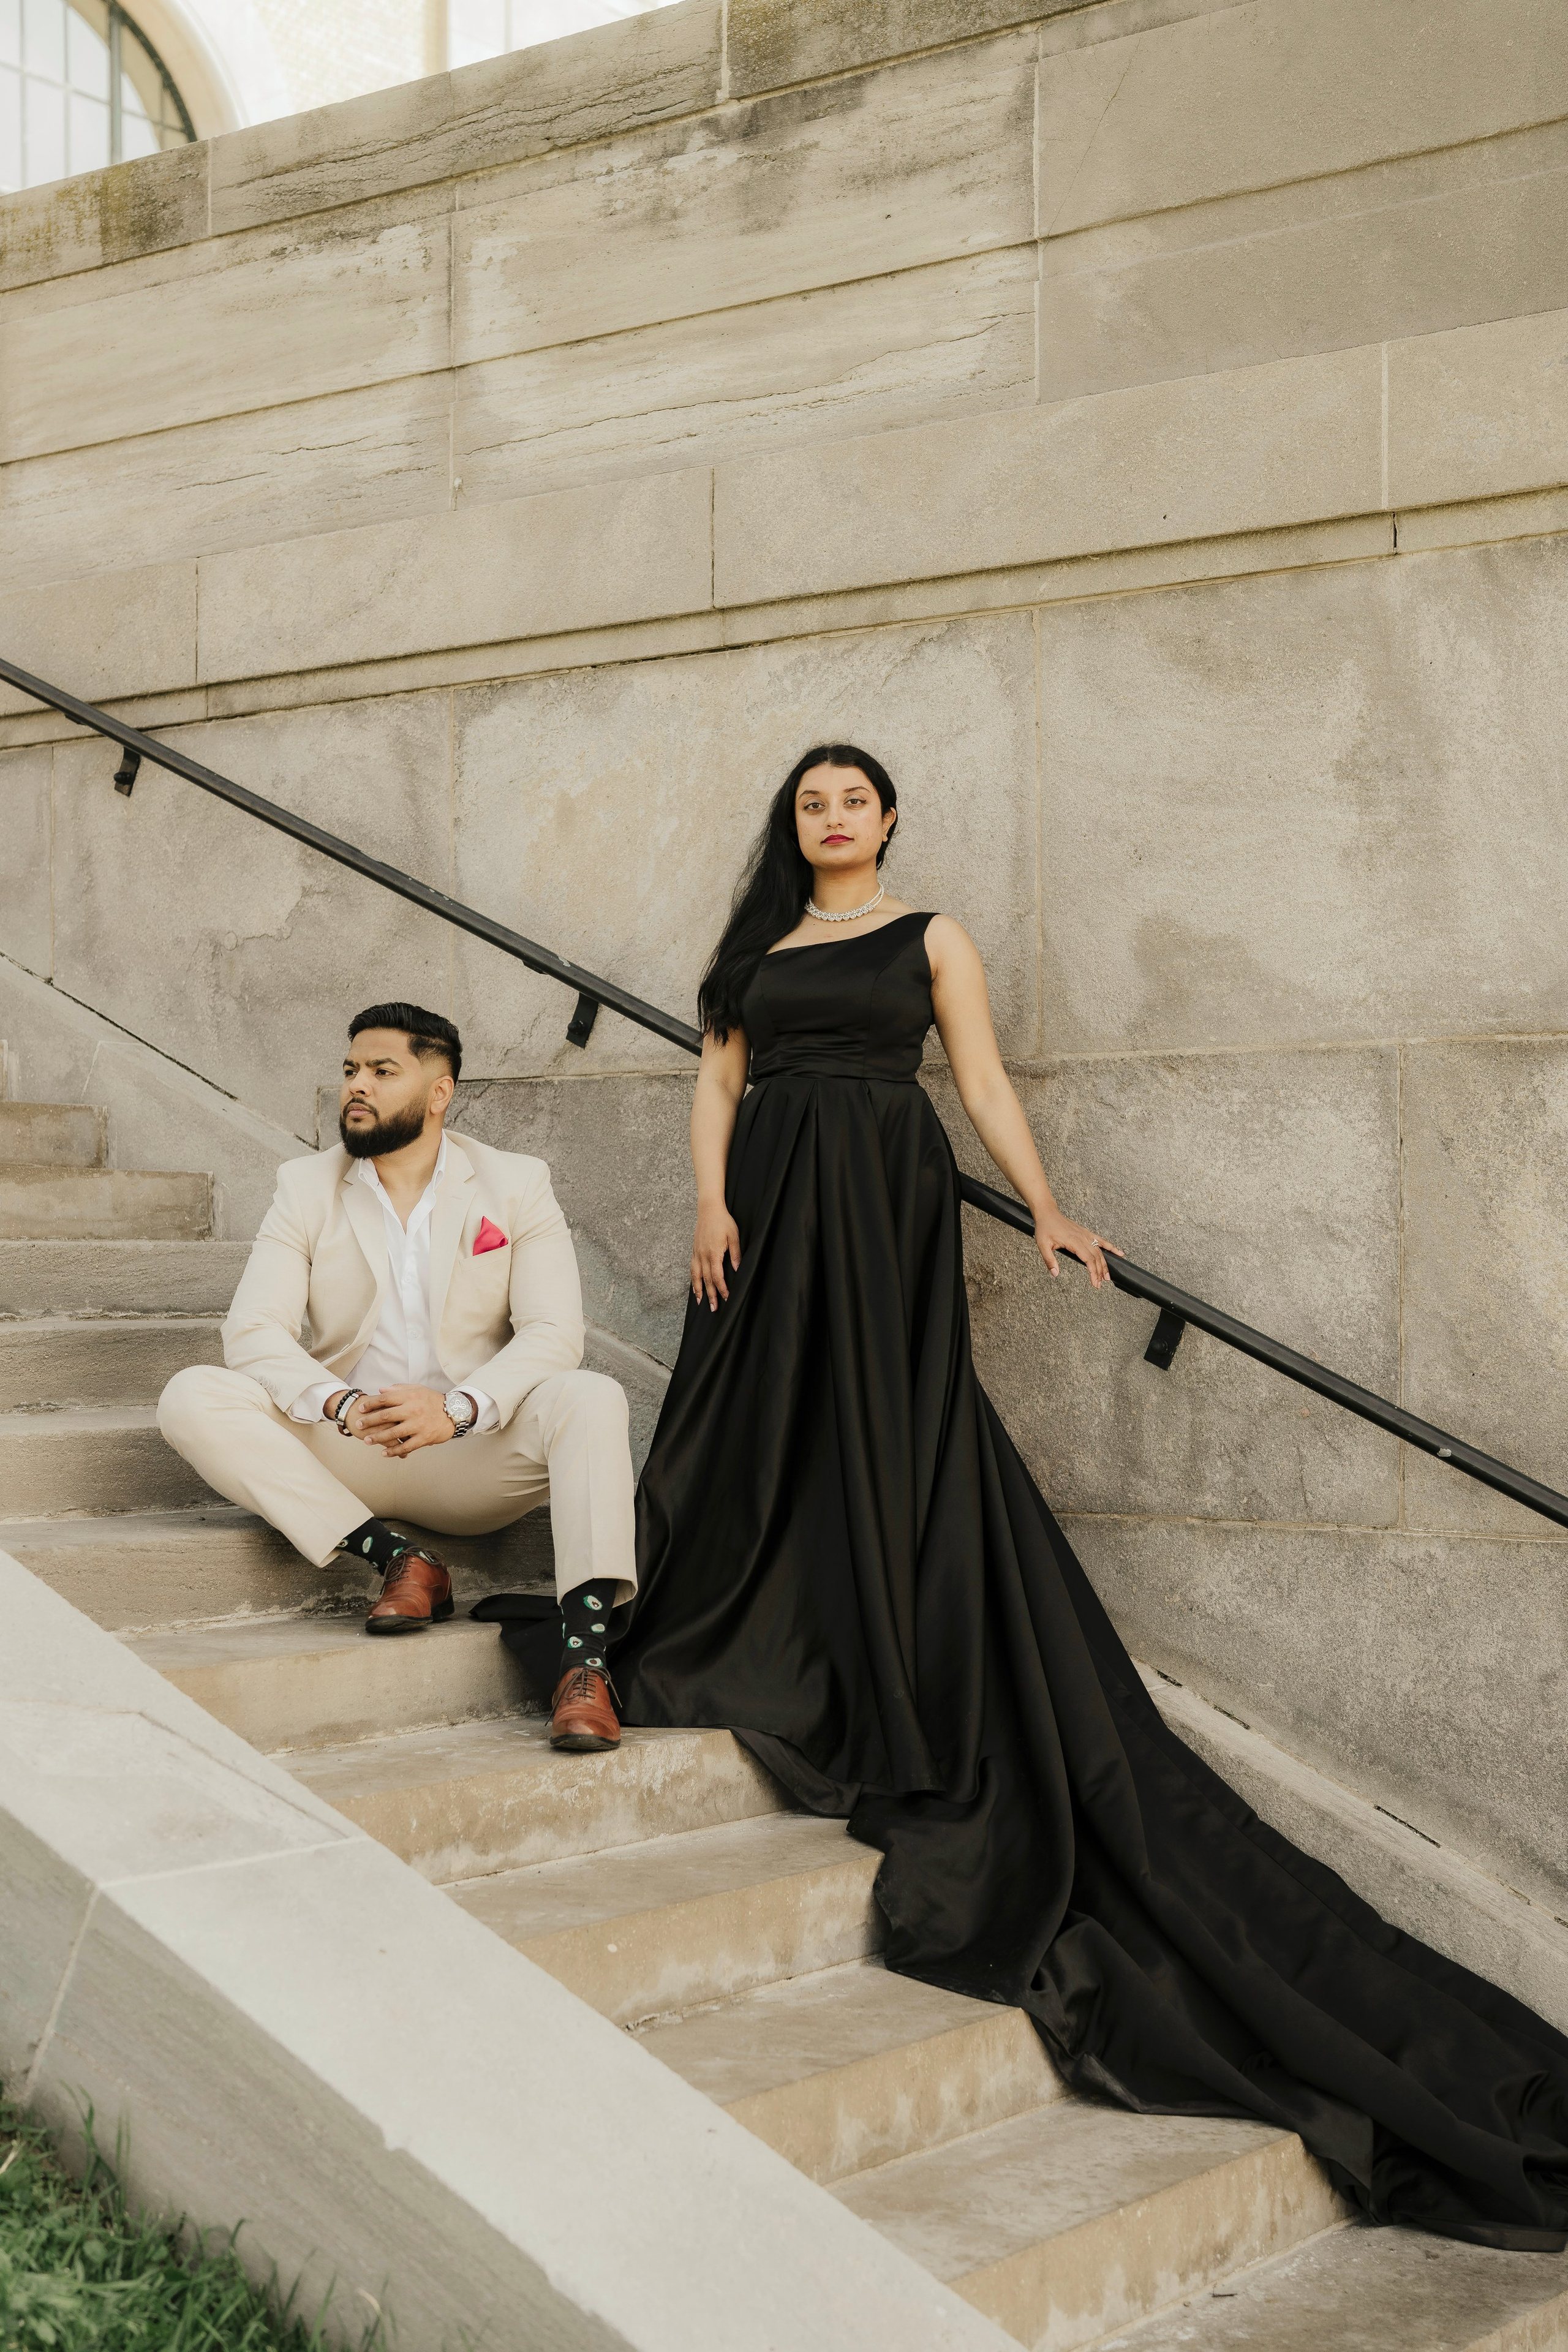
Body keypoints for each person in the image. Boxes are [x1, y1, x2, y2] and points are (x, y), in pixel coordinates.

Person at [515, 745, 1568, 2248]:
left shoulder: (926, 936)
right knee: (747, 1429)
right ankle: (760, 1611)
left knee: (885, 1425)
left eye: (851, 798)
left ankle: (871, 1631)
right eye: (809, 798)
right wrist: (706, 1200)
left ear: (884, 819)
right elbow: (718, 1079)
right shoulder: (751, 951)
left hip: (880, 1182)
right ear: (790, 823)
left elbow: (984, 1079)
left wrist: (1050, 1200)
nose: (829, 817)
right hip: (763, 1194)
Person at [157, 1003, 633, 1752]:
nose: (358, 1086)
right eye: (351, 1070)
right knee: (192, 1393)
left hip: (474, 1454)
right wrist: (339, 1403)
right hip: (348, 1445)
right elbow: (253, 1331)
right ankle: (400, 1561)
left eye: (383, 1072)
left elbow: (552, 1334)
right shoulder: (305, 1185)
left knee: (593, 1395)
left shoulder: (515, 1184)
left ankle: (585, 1666)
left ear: (439, 1093)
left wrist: (460, 1409)